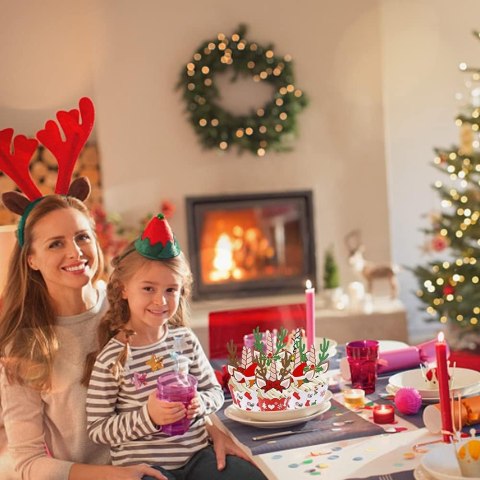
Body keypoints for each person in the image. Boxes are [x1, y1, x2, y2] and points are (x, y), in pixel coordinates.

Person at [0, 98, 260, 480]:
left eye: (82, 237)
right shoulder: (23, 347)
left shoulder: (137, 301)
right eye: (55, 244)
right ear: (31, 259)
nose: (75, 252)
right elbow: (25, 464)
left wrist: (214, 429)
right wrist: (115, 475)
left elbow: (183, 375)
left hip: (180, 458)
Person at [86, 214, 266, 480]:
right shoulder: (112, 357)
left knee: (252, 476)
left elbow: (215, 392)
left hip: (197, 457)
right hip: (146, 470)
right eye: (148, 288)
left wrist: (200, 403)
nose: (160, 300)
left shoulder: (185, 340)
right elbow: (98, 429)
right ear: (124, 289)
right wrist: (148, 415)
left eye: (171, 290)